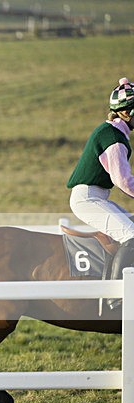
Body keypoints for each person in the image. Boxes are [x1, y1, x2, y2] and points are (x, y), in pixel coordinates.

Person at [67, 77, 134, 308]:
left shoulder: (113, 132)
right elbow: (123, 180)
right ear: (127, 113)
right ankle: (116, 295)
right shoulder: (114, 139)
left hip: (94, 196)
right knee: (131, 235)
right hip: (88, 199)